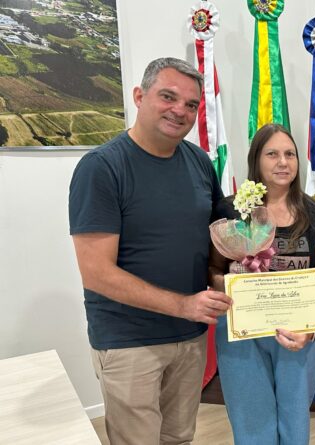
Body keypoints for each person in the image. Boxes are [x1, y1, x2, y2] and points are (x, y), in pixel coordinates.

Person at [68, 57, 232, 444]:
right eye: (168, 97)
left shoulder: (197, 161)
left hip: (190, 335)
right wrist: (183, 305)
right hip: (129, 341)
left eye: (192, 104)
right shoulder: (102, 168)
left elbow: (221, 237)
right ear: (139, 96)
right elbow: (96, 272)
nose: (180, 110)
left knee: (178, 437)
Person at [209, 123, 315, 445]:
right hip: (243, 331)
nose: (283, 162)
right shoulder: (231, 210)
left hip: (298, 334)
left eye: (290, 154)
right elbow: (213, 270)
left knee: (295, 420)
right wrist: (234, 286)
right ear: (257, 160)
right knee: (251, 420)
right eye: (273, 154)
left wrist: (310, 328)